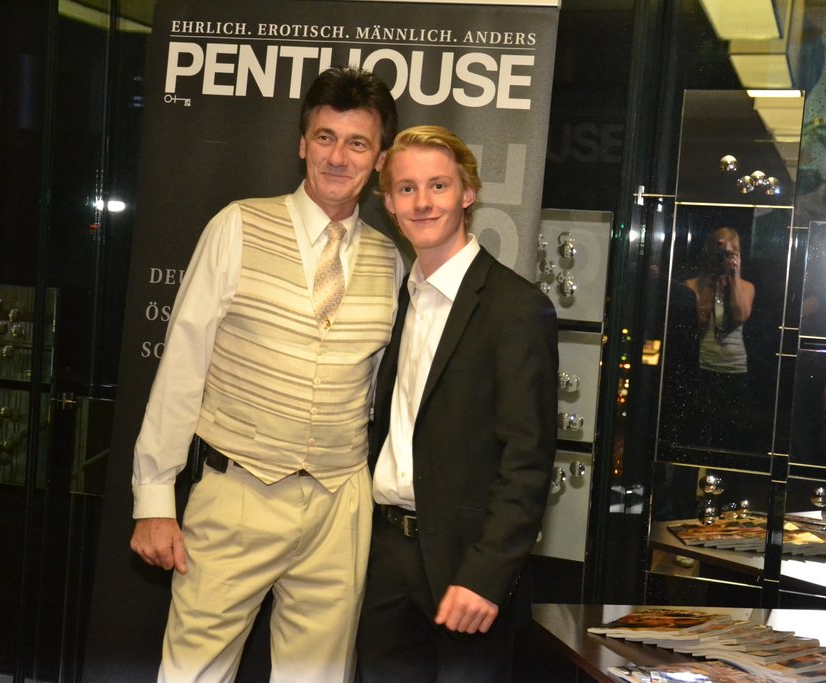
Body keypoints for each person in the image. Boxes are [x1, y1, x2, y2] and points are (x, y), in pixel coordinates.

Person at [129, 66, 401, 682]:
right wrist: (154, 498)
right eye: (325, 137)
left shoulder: (391, 260)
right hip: (238, 493)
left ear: (380, 159)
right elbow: (182, 367)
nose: (338, 157)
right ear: (302, 143)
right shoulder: (238, 226)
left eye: (357, 143)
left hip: (339, 505)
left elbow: (381, 393)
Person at [356, 125, 558, 682]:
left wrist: (486, 577)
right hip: (385, 563)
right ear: (389, 203)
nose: (422, 202)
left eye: (438, 186)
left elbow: (528, 461)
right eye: (406, 189)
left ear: (468, 193)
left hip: (466, 572)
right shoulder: (398, 299)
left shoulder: (516, 308)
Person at [684, 227, 755, 449]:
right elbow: (700, 318)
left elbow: (740, 316)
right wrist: (711, 277)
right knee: (701, 434)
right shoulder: (693, 285)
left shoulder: (746, 287)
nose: (723, 259)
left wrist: (734, 277)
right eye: (719, 254)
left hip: (735, 371)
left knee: (732, 436)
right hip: (704, 369)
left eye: (729, 254)